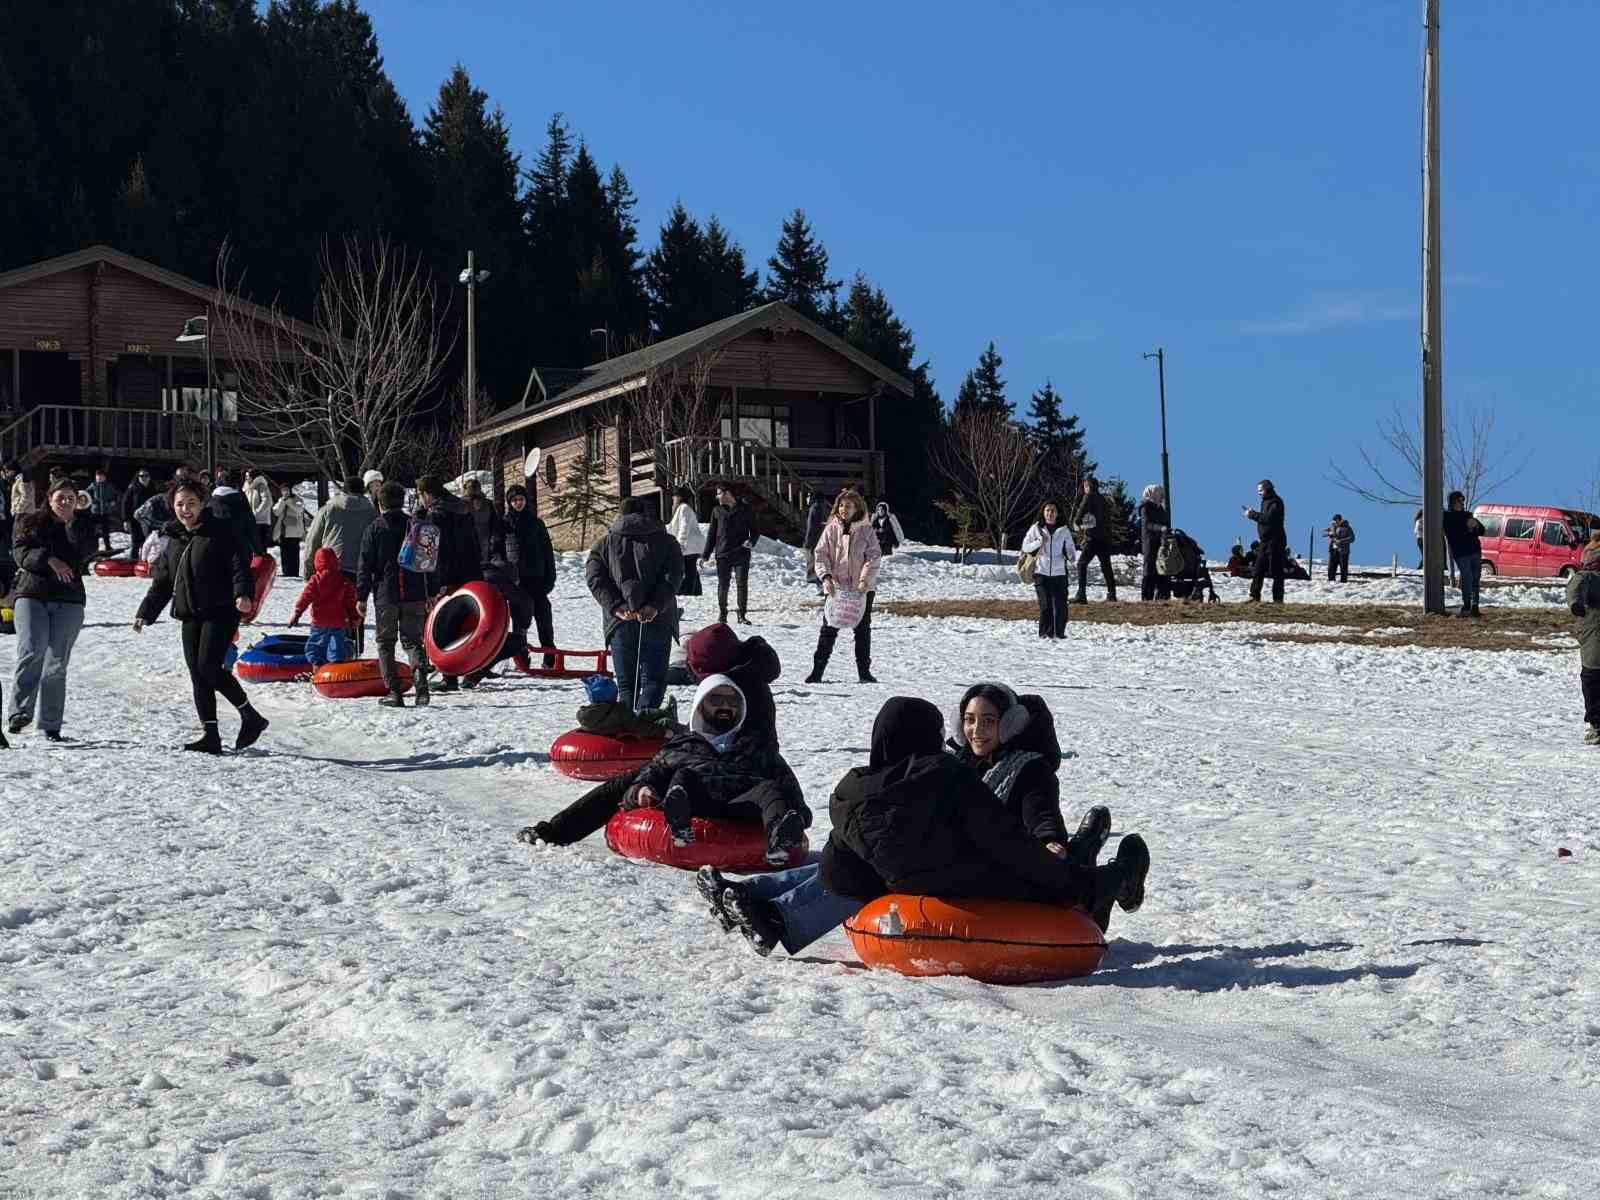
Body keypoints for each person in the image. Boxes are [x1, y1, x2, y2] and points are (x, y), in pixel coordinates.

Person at [708, 697, 1148, 957]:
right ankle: (1113, 879)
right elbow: (999, 840)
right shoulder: (946, 773)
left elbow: (1034, 819)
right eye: (968, 721)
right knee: (1063, 881)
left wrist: (1051, 841)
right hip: (973, 875)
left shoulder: (857, 787)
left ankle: (763, 900)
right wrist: (1062, 877)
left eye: (990, 721)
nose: (975, 730)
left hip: (960, 867)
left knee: (862, 866)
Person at [525, 621, 786, 851]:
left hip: (729, 772)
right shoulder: (743, 675)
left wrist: (682, 756)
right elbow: (709, 733)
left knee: (638, 781)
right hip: (708, 755)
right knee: (629, 780)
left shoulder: (745, 691)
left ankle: (555, 831)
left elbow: (733, 748)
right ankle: (555, 830)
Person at [133, 477, 268, 754]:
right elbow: (162, 581)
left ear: (203, 504)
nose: (185, 509)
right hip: (190, 613)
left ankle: (251, 717)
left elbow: (239, 566)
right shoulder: (173, 538)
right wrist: (146, 612)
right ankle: (211, 735)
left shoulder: (220, 531)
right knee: (198, 675)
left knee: (209, 667)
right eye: (180, 504)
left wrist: (243, 594)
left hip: (221, 610)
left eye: (191, 503)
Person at [621, 674, 808, 854]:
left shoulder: (757, 748)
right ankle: (680, 828)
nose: (726, 707)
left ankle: (779, 839)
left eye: (733, 702)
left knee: (768, 788)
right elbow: (643, 781)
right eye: (717, 701)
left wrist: (791, 815)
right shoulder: (679, 748)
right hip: (696, 805)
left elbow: (797, 802)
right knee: (683, 777)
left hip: (746, 807)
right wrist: (641, 791)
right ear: (700, 706)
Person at [7, 478, 89, 742]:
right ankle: (19, 712)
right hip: (32, 595)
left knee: (56, 663)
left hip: (70, 600)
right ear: (50, 498)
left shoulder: (81, 525)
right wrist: (48, 559)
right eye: (60, 497)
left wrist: (72, 524)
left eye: (70, 498)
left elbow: (85, 553)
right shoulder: (30, 522)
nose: (65, 502)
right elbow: (21, 553)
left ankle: (51, 724)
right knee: (32, 651)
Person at [584, 496, 682, 711]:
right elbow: (674, 575)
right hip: (659, 617)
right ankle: (644, 731)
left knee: (627, 685)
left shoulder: (604, 543)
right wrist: (654, 605)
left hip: (620, 620)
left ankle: (627, 733)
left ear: (621, 514)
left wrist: (616, 606)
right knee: (653, 682)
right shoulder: (667, 541)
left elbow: (594, 577)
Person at [356, 481, 432, 708]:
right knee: (412, 640)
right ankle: (421, 683)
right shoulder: (416, 526)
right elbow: (431, 562)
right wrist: (432, 591)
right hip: (415, 591)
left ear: (380, 504)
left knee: (385, 642)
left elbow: (365, 565)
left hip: (386, 593)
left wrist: (361, 596)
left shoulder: (374, 528)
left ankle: (394, 692)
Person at [806, 488, 881, 684]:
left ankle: (864, 672)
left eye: (848, 506)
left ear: (857, 508)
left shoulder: (867, 530)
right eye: (840, 505)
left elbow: (873, 556)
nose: (843, 509)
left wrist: (864, 580)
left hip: (861, 588)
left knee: (862, 630)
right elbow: (820, 554)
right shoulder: (831, 529)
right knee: (828, 628)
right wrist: (826, 578)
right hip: (835, 587)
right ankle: (817, 671)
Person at [416, 474, 483, 692]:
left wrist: (433, 587)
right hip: (470, 575)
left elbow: (433, 556)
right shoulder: (463, 510)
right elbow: (475, 544)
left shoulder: (436, 515)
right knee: (468, 623)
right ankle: (472, 669)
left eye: (420, 495)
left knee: (444, 627)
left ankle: (450, 676)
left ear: (427, 494)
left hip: (447, 578)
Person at [305, 476, 379, 654]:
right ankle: (353, 648)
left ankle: (328, 651)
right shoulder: (371, 512)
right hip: (360, 568)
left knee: (329, 609)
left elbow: (313, 539)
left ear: (343, 490)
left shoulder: (330, 508)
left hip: (331, 567)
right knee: (355, 609)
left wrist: (309, 570)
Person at [504, 483, 556, 665]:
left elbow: (547, 552)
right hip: (516, 582)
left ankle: (550, 656)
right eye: (514, 500)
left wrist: (550, 578)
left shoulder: (536, 524)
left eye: (521, 499)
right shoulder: (505, 524)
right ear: (509, 503)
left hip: (537, 579)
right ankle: (521, 657)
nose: (518, 503)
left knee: (544, 618)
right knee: (519, 621)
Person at [288, 547, 360, 664]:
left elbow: (304, 598)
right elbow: (351, 602)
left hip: (319, 621)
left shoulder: (315, 580)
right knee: (337, 644)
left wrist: (297, 613)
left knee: (316, 644)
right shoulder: (343, 580)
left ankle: (316, 665)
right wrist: (354, 617)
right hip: (338, 621)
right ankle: (336, 666)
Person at [1020, 498, 1076, 638]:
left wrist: (1070, 555)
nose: (1050, 513)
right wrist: (1039, 541)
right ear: (1043, 513)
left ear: (1057, 513)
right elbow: (1025, 547)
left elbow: (1071, 548)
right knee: (1046, 607)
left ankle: (1060, 635)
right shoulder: (1036, 528)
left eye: (1053, 511)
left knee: (1061, 607)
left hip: (1059, 574)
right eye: (1047, 510)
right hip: (1041, 573)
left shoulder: (1064, 530)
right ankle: (1045, 635)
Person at [704, 482, 756, 625]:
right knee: (723, 584)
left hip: (741, 552)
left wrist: (751, 541)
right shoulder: (717, 511)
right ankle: (722, 613)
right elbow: (712, 534)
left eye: (719, 493)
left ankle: (742, 614)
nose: (717, 496)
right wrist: (705, 555)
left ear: (727, 493)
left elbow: (755, 531)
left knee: (741, 584)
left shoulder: (745, 509)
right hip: (723, 553)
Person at [1566, 533, 1600, 744]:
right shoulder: (1588, 576)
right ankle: (1597, 725)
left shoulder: (1587, 575)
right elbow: (1574, 589)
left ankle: (1597, 725)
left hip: (1593, 636)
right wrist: (1575, 604)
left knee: (1592, 680)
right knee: (1593, 680)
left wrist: (1576, 604)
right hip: (1593, 635)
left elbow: (1574, 588)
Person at [1071, 477, 1117, 603]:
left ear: (1088, 486)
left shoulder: (1089, 496)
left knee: (1081, 564)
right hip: (1104, 538)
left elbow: (1081, 511)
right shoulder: (1103, 499)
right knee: (1106, 566)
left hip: (1093, 538)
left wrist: (1076, 523)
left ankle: (1081, 595)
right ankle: (1112, 594)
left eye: (1085, 486)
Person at [1242, 479, 1288, 603]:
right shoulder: (1265, 502)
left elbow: (1269, 519)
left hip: (1275, 541)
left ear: (1268, 489)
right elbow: (1264, 518)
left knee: (1277, 571)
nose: (1259, 493)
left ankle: (1278, 599)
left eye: (1261, 490)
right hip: (1265, 541)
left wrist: (1252, 515)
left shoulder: (1276, 502)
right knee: (1258, 569)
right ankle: (1254, 596)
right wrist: (1254, 513)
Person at [1442, 491, 1486, 617]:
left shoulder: (1468, 515)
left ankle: (1475, 606)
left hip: (1475, 551)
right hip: (1461, 553)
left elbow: (1482, 531)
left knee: (1475, 579)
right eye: (1458, 501)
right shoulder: (1447, 517)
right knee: (1467, 577)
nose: (1461, 503)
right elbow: (1454, 534)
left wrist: (1476, 525)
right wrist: (1467, 528)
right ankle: (1466, 604)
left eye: (1462, 501)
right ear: (1452, 502)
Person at [666, 486, 705, 611]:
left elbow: (684, 527)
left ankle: (689, 592)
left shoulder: (684, 509)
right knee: (691, 568)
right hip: (690, 546)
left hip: (689, 546)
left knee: (688, 569)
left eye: (675, 496)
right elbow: (672, 527)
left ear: (680, 497)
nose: (673, 498)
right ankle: (696, 592)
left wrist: (680, 544)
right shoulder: (681, 509)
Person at [461, 476, 504, 567]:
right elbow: (495, 527)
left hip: (471, 550)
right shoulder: (488, 504)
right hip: (485, 549)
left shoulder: (462, 505)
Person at [1138, 484, 1170, 602]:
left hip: (1161, 542)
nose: (1161, 497)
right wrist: (1160, 528)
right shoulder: (1145, 507)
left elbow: (1165, 522)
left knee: (1162, 569)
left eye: (1162, 494)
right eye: (1158, 494)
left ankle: (1162, 596)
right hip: (1150, 542)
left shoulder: (1160, 509)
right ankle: (1147, 598)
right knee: (1150, 569)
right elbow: (1147, 524)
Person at [272, 487, 308, 577]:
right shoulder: (281, 500)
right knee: (284, 552)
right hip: (283, 531)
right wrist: (282, 502)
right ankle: (286, 572)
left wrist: (289, 502)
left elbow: (299, 509)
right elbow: (276, 511)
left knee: (294, 552)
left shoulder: (297, 499)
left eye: (286, 490)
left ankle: (294, 572)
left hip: (294, 531)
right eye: (283, 490)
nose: (285, 492)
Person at [121, 468, 155, 562]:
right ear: (138, 477)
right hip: (134, 520)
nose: (144, 478)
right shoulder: (132, 489)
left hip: (148, 520)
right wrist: (125, 520)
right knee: (135, 542)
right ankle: (133, 560)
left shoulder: (152, 488)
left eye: (146, 476)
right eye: (141, 476)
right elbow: (125, 503)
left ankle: (145, 562)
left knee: (147, 542)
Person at [802, 490, 830, 592]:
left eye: (808, 496)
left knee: (815, 563)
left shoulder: (815, 508)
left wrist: (807, 542)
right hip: (826, 539)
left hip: (816, 540)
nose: (807, 499)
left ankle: (820, 586)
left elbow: (811, 527)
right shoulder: (827, 507)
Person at [87, 469, 118, 554]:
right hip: (95, 511)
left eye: (101, 476)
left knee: (106, 530)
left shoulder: (109, 486)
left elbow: (115, 495)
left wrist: (113, 501)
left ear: (104, 477)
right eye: (97, 476)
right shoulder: (93, 485)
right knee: (94, 531)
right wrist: (91, 501)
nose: (99, 477)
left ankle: (108, 547)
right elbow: (86, 494)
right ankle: (94, 548)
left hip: (105, 511)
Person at [244, 468, 274, 552]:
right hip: (251, 521)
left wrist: (256, 513)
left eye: (248, 476)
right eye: (246, 476)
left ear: (253, 476)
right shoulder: (247, 487)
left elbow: (267, 501)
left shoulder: (261, 486)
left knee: (260, 547)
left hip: (261, 522)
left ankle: (261, 564)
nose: (246, 478)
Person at [1323, 514, 1355, 583]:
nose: (1335, 522)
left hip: (1343, 551)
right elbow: (1324, 532)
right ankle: (1331, 580)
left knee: (1343, 567)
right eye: (1334, 521)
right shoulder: (1332, 526)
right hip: (1333, 550)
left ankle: (1343, 582)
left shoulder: (1347, 527)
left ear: (1341, 520)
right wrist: (1328, 533)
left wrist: (1341, 541)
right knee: (1331, 566)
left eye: (1337, 521)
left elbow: (1352, 538)